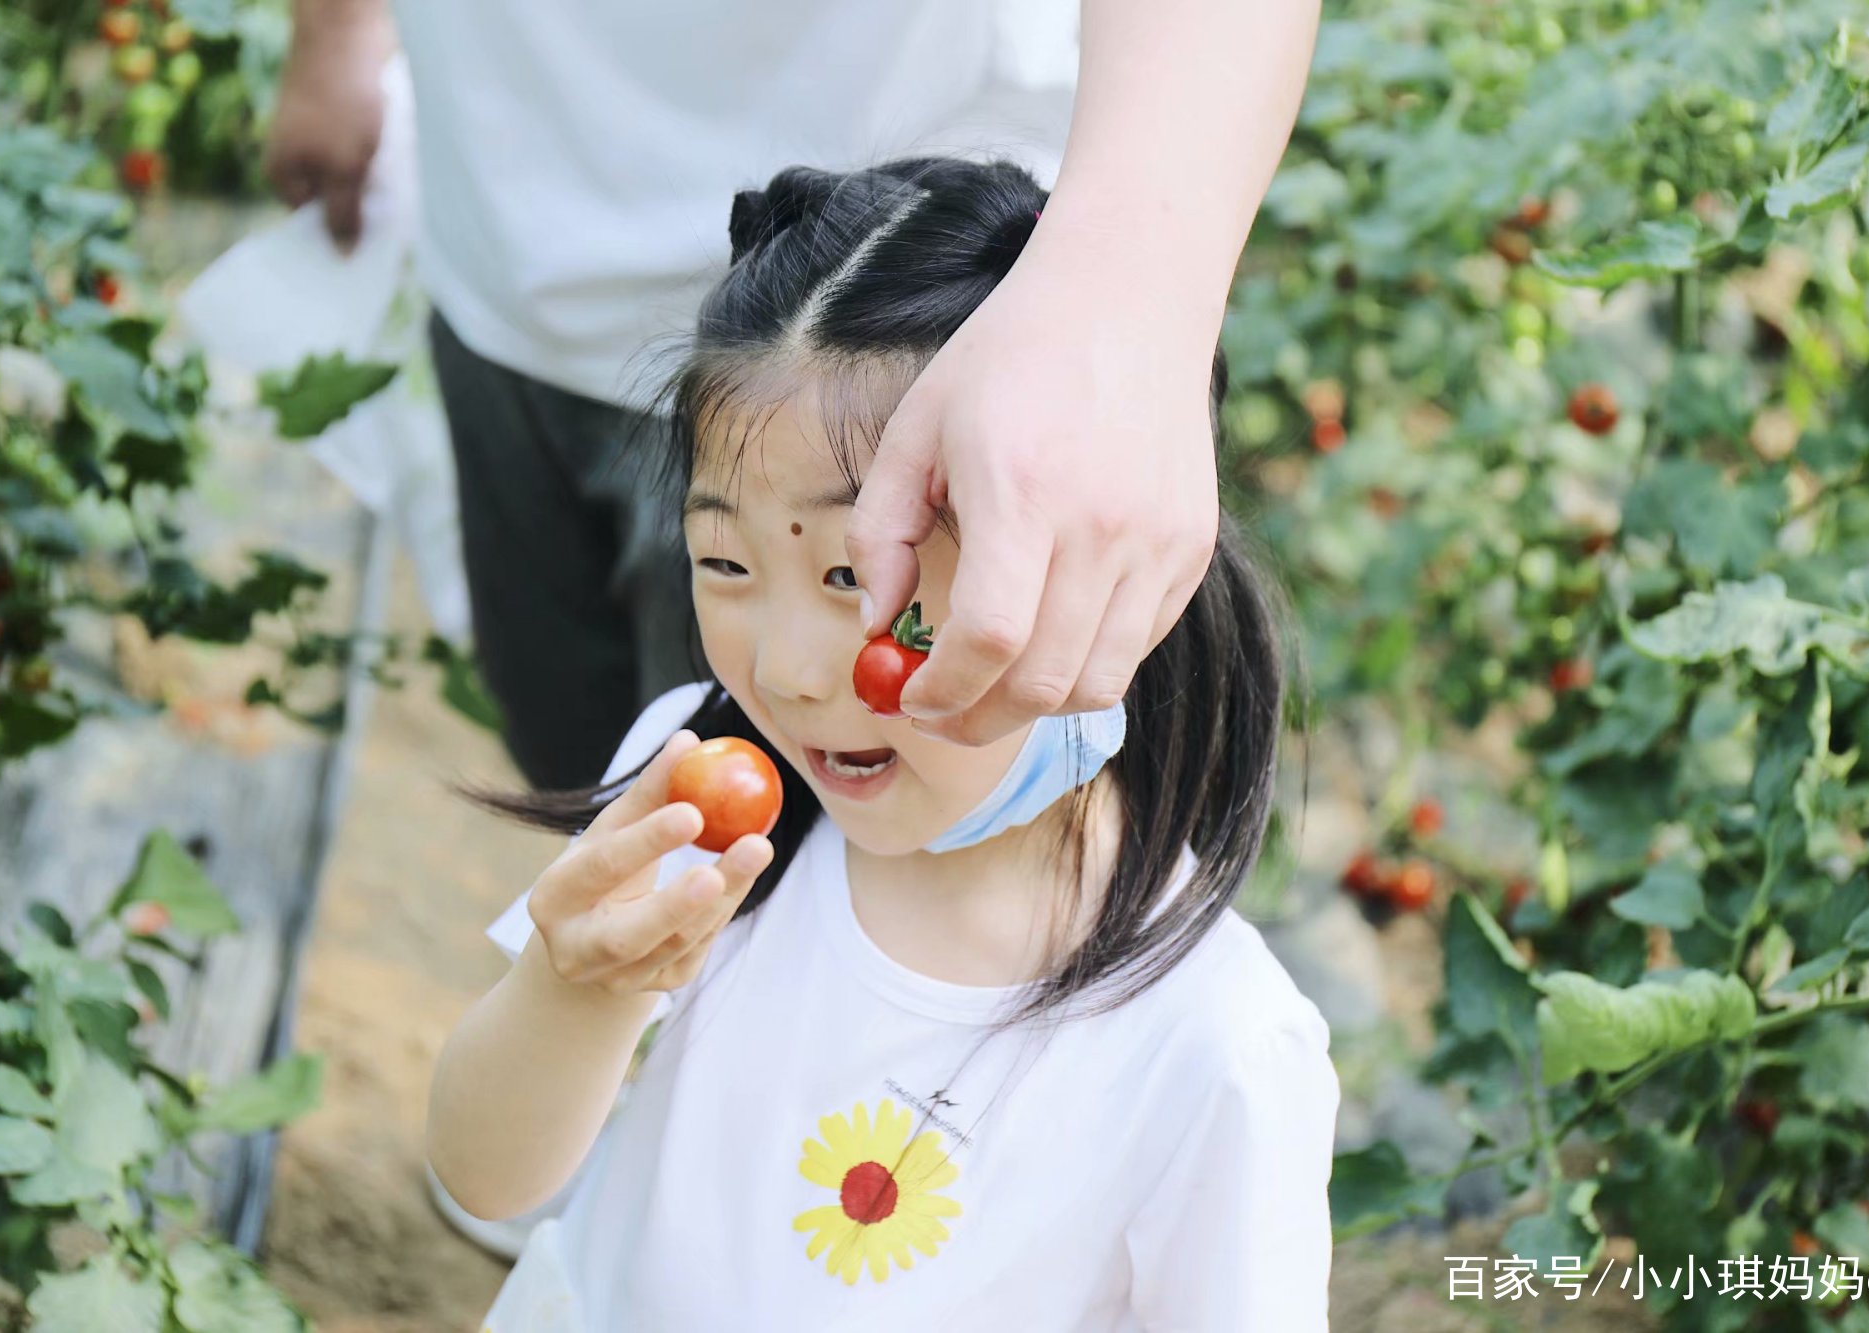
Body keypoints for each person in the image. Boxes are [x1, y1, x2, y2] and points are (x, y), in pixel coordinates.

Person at [427, 158, 1339, 1331]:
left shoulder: (1209, 1050)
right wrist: (573, 989)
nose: (792, 674)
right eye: (727, 564)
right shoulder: (697, 798)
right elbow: (487, 1173)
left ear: (1098, 571)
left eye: (859, 577)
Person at [266, 0, 1323, 790]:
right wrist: (338, 29)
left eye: (835, 574)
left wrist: (1131, 295)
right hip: (500, 248)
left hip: (912, 313)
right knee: (603, 791)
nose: (788, 667)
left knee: (887, 834)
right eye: (720, 560)